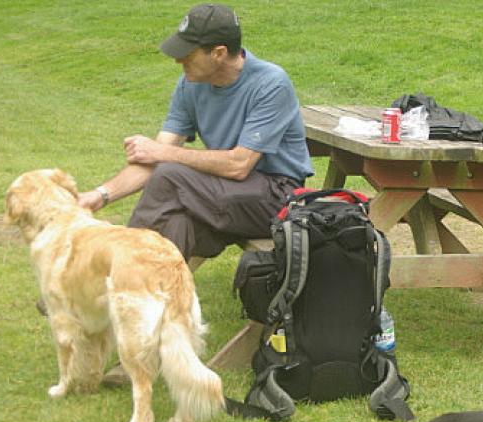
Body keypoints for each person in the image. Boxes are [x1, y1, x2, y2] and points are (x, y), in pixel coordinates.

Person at [78, 3, 313, 263]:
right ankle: (155, 297)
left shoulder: (270, 83)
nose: (179, 60)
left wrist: (163, 153)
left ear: (219, 53)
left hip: (277, 198)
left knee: (170, 175)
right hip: (226, 193)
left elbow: (239, 165)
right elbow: (152, 157)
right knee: (177, 222)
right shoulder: (190, 84)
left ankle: (111, 275)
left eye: (188, 54)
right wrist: (100, 195)